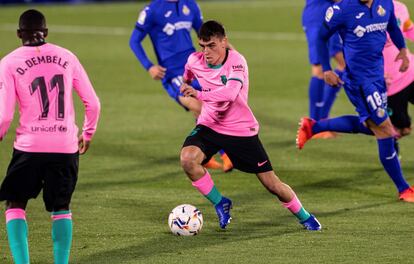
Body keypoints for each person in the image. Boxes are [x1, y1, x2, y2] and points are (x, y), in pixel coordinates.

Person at [180, 20, 321, 231]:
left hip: (240, 131)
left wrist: (199, 94)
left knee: (271, 184)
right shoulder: (194, 60)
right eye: (202, 46)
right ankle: (221, 202)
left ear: (224, 42)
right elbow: (188, 77)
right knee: (188, 160)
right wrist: (186, 85)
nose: (206, 51)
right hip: (210, 125)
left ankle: (306, 216)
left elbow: (229, 94)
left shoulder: (237, 61)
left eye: (211, 45)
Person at [0, 9, 101, 264]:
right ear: (46, 33)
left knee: (15, 203)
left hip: (29, 147)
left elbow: (4, 115)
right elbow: (93, 103)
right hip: (65, 146)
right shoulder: (67, 57)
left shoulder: (9, 62)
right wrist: (87, 134)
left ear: (19, 34)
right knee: (61, 207)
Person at [296, 0, 414, 202]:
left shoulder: (385, 4)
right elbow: (321, 38)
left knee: (378, 127)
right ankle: (404, 189)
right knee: (385, 130)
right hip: (359, 82)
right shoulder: (341, 10)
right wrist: (326, 69)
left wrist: (403, 50)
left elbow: (393, 27)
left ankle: (314, 127)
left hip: (377, 76)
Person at [129, 0, 233, 171]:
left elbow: (209, 35)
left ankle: (204, 155)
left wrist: (231, 51)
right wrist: (149, 66)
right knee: (198, 106)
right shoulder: (153, 10)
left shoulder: (190, 5)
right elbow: (134, 41)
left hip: (196, 66)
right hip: (172, 72)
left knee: (214, 104)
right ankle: (225, 153)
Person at [302, 0, 346, 126]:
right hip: (317, 16)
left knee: (344, 63)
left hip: (335, 15)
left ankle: (323, 119)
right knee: (319, 69)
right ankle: (314, 124)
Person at [384, 0, 414, 139]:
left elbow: (408, 27)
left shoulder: (400, 8)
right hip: (390, 84)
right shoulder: (360, 15)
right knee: (399, 129)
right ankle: (393, 158)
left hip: (411, 72)